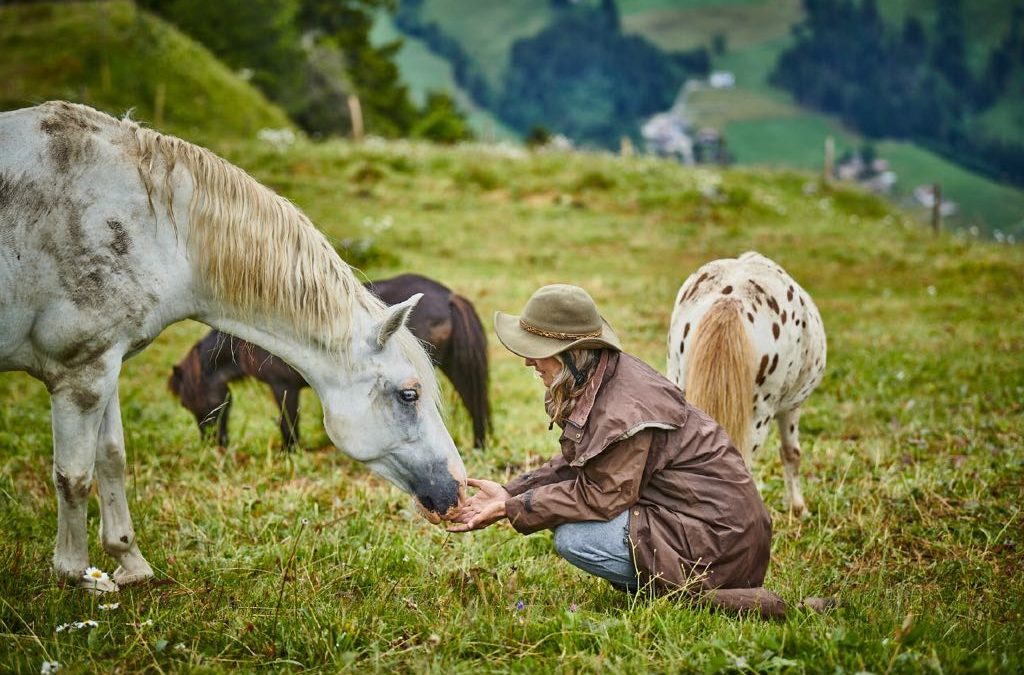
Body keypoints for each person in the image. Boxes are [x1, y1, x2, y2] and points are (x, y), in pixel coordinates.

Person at [447, 283, 786, 618]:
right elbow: (584, 463)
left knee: (573, 537)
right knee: (560, 511)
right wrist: (512, 490)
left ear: (571, 354)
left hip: (719, 545)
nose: (527, 361)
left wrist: (513, 507)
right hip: (712, 528)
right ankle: (660, 581)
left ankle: (680, 592)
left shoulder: (621, 410)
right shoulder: (604, 375)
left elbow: (600, 496)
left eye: (536, 349)